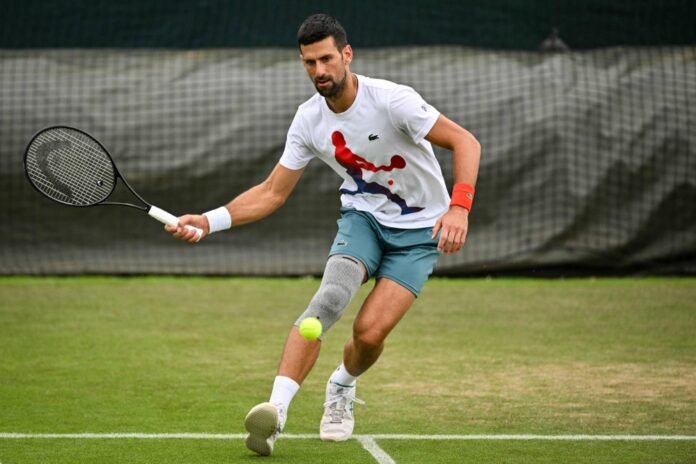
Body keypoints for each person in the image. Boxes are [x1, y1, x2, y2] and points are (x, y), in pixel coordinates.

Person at [167, 13, 481, 457]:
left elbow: (467, 142)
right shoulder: (308, 120)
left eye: (327, 59)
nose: (320, 71)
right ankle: (274, 415)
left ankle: (342, 385)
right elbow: (272, 192)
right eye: (309, 62)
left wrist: (459, 207)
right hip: (363, 220)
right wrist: (209, 219)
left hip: (419, 232)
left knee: (369, 335)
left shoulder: (393, 101)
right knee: (329, 300)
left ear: (346, 55)